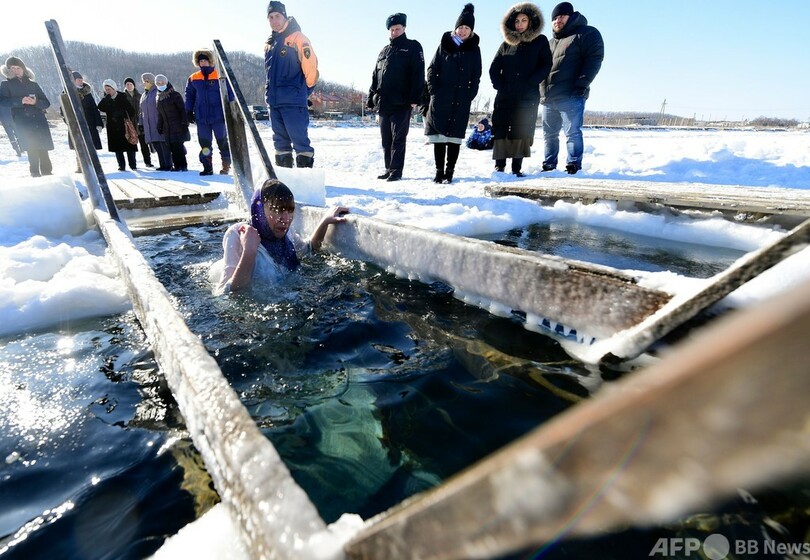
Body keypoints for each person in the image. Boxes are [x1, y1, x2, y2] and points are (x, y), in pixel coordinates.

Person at [217, 179, 349, 293]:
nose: (286, 219)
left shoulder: (287, 234)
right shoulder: (237, 234)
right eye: (277, 210)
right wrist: (249, 251)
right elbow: (226, 293)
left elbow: (309, 250)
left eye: (290, 211)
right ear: (259, 210)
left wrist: (325, 221)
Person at [489, 3, 552, 177]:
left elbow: (546, 64)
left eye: (524, 20)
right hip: (505, 95)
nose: (520, 24)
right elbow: (494, 68)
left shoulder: (540, 41)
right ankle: (499, 166)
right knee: (501, 128)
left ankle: (517, 167)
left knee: (521, 129)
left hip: (527, 95)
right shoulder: (506, 44)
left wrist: (532, 82)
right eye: (517, 21)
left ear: (531, 22)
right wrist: (500, 85)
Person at [540, 2, 604, 174]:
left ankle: (573, 165)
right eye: (554, 18)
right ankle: (549, 164)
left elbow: (594, 58)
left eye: (561, 16)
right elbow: (541, 68)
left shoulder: (586, 33)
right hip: (548, 98)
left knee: (572, 133)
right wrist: (540, 90)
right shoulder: (550, 42)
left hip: (571, 95)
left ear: (571, 16)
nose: (557, 21)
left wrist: (582, 83)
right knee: (549, 135)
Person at [424, 4, 482, 184]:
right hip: (441, 98)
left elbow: (476, 75)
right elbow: (432, 69)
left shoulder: (474, 49)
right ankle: (438, 170)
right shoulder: (444, 46)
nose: (463, 31)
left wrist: (469, 95)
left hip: (461, 100)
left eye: (467, 28)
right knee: (439, 138)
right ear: (455, 28)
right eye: (460, 27)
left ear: (471, 31)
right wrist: (434, 90)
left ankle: (450, 172)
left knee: (454, 138)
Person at [367, 13, 425, 182]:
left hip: (402, 102)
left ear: (404, 28)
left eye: (397, 29)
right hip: (384, 103)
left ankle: (396, 171)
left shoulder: (413, 47)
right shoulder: (384, 51)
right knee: (386, 139)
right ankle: (388, 168)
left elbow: (418, 73)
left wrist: (415, 97)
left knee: (398, 138)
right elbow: (375, 75)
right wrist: (371, 97)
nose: (394, 32)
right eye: (391, 29)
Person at [264, 1, 319, 169]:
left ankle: (305, 180)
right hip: (274, 102)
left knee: (300, 141)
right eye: (271, 17)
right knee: (280, 143)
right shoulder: (269, 44)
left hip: (293, 102)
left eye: (277, 16)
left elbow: (311, 69)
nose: (274, 21)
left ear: (285, 16)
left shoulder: (298, 38)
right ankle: (285, 181)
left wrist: (302, 92)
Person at [0, 56, 54, 177]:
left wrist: (35, 103)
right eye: (12, 68)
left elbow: (46, 102)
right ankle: (34, 173)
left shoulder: (33, 84)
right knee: (32, 149)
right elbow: (2, 101)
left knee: (43, 149)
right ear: (8, 70)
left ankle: (48, 174)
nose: (15, 70)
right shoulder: (6, 84)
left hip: (39, 120)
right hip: (23, 121)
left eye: (18, 67)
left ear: (23, 69)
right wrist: (20, 101)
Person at [185, 48, 232, 176]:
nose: (203, 63)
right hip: (201, 117)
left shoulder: (219, 75)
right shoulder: (193, 78)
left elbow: (229, 94)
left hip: (218, 116)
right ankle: (207, 166)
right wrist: (188, 111)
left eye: (205, 60)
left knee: (222, 142)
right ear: (197, 62)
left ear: (210, 61)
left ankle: (226, 165)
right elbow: (189, 96)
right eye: (201, 61)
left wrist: (230, 111)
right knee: (205, 144)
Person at [65, 71, 104, 172]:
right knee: (79, 146)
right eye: (78, 79)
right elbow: (64, 110)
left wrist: (98, 123)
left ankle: (94, 165)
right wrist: (69, 121)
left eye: (81, 79)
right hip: (75, 123)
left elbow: (94, 109)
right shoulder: (67, 93)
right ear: (73, 81)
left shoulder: (87, 93)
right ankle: (81, 166)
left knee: (90, 145)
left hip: (89, 123)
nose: (81, 81)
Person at [98, 79, 138, 171]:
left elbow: (131, 111)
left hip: (123, 125)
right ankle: (121, 165)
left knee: (129, 145)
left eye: (109, 89)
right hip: (112, 127)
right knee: (117, 147)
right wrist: (105, 99)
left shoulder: (122, 97)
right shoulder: (106, 99)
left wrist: (122, 114)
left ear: (114, 88)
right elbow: (100, 107)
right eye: (106, 89)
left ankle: (133, 164)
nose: (107, 91)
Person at [155, 74, 189, 172]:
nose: (160, 84)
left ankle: (182, 165)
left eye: (162, 82)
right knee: (172, 147)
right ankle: (177, 165)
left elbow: (182, 110)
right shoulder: (158, 98)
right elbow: (160, 114)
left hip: (178, 125)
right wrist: (159, 126)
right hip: (167, 127)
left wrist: (184, 123)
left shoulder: (175, 95)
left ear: (166, 82)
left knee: (178, 146)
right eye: (158, 83)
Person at [139, 73, 172, 171]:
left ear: (151, 81)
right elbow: (141, 111)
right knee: (156, 144)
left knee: (163, 144)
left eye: (146, 81)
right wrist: (140, 123)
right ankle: (162, 164)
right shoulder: (144, 95)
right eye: (143, 81)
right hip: (148, 124)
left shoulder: (157, 91)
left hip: (158, 122)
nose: (144, 83)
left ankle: (168, 164)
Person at [123, 76, 153, 168]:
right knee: (131, 144)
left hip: (140, 122)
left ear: (134, 85)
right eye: (127, 84)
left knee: (144, 144)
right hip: (129, 123)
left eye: (130, 84)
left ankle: (148, 162)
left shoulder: (140, 96)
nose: (129, 86)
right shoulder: (123, 97)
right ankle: (132, 164)